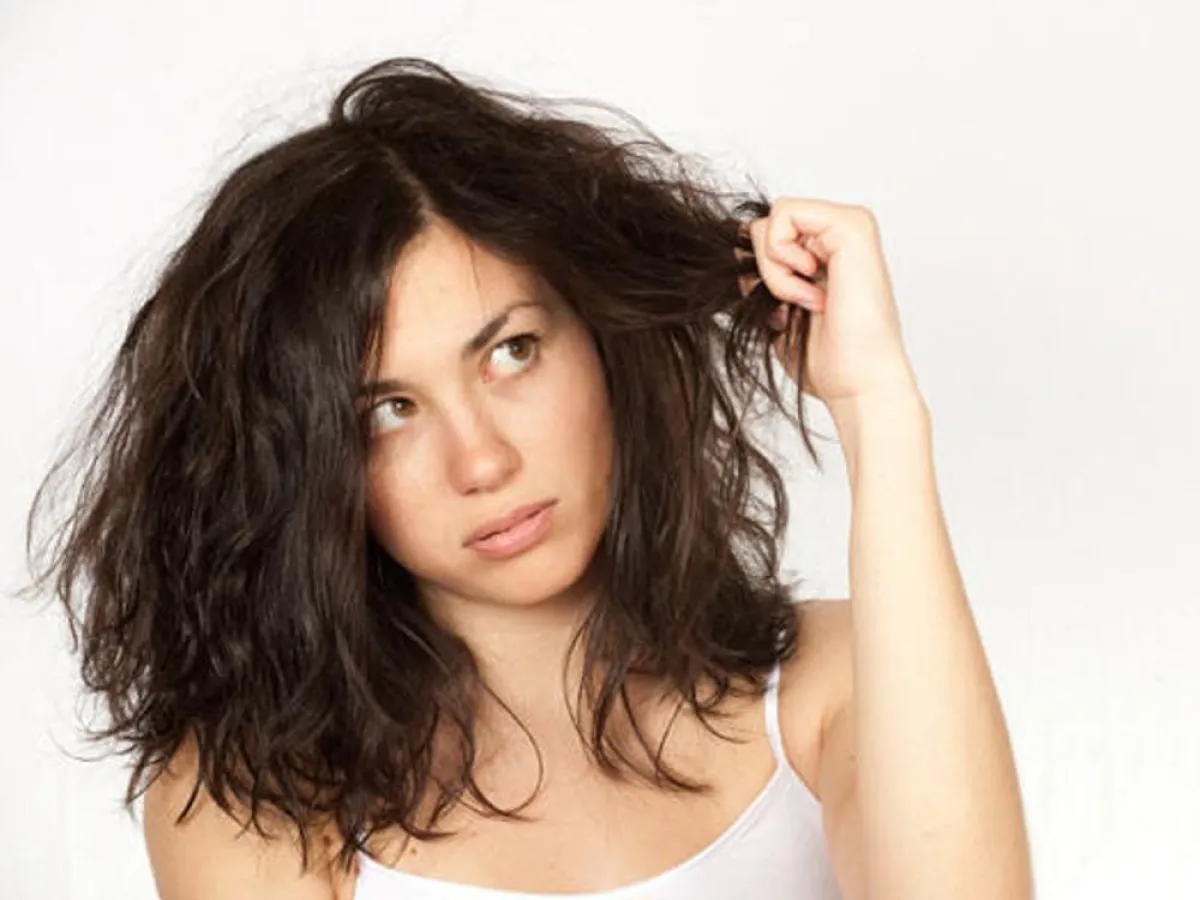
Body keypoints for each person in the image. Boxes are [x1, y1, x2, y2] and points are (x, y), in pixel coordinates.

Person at [20, 56, 1032, 900]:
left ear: (600, 334)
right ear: (302, 468)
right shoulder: (257, 799)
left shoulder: (832, 683)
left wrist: (877, 408)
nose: (483, 461)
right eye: (386, 411)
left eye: (511, 352)